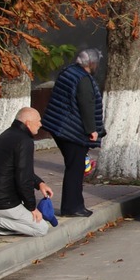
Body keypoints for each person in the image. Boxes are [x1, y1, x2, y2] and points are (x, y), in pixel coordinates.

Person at [40, 47, 104, 217]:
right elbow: (86, 105)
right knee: (75, 169)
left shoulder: (68, 72)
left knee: (73, 167)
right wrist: (92, 130)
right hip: (72, 130)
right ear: (91, 63)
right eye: (97, 62)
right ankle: (72, 207)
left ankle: (74, 205)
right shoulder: (83, 79)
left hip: (59, 126)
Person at [0, 108, 53, 238]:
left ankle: (3, 225)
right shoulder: (25, 141)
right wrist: (32, 208)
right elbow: (24, 178)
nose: (40, 124)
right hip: (2, 201)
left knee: (26, 220)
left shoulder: (6, 135)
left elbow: (16, 168)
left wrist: (39, 183)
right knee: (41, 228)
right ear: (28, 123)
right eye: (38, 121)